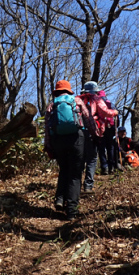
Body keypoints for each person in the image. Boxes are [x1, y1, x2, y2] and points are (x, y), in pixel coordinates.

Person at [44, 80, 96, 220]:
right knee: (75, 174)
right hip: (76, 139)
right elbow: (88, 119)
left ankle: (60, 199)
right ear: (69, 90)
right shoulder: (77, 101)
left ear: (57, 91)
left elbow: (47, 129)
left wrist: (48, 146)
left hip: (58, 140)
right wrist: (95, 134)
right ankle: (72, 211)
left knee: (64, 169)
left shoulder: (52, 105)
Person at [77, 81, 118, 193]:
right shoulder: (97, 99)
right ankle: (88, 186)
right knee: (92, 159)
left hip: (78, 133)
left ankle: (76, 185)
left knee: (80, 159)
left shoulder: (77, 99)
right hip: (92, 132)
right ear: (95, 90)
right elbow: (105, 112)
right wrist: (115, 112)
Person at [97, 90, 118, 175]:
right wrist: (116, 128)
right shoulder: (111, 104)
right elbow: (116, 117)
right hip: (111, 127)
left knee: (101, 148)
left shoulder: (97, 103)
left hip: (100, 128)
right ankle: (111, 167)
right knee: (110, 148)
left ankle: (104, 167)